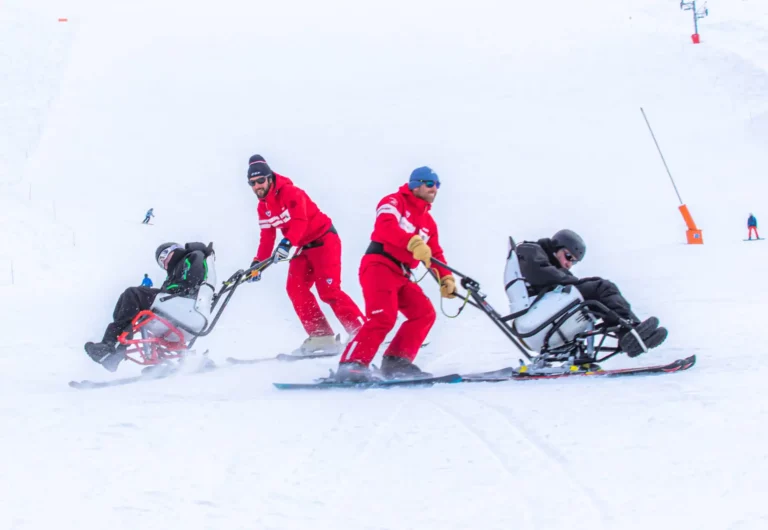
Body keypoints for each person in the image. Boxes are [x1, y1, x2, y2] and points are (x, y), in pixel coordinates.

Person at [336, 166, 456, 382]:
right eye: (430, 184)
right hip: (379, 266)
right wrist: (411, 241)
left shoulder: (428, 223)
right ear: (415, 185)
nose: (434, 189)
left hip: (402, 274)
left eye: (437, 185)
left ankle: (396, 362)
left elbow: (435, 253)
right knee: (383, 316)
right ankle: (351, 364)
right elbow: (385, 227)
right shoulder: (393, 202)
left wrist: (445, 278)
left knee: (424, 313)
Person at [246, 154, 365, 356]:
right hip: (303, 247)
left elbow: (300, 221)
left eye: (260, 181)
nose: (257, 186)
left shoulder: (291, 192)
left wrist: (286, 243)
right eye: (252, 183)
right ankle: (321, 336)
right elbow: (267, 237)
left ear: (269, 177)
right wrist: (257, 264)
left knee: (328, 291)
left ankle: (363, 333)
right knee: (295, 288)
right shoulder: (263, 207)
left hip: (324, 240)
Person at [515, 229, 667, 357]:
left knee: (599, 290)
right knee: (602, 288)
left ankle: (629, 332)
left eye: (574, 262)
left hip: (548, 308)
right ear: (556, 246)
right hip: (540, 316)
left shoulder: (541, 257)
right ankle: (630, 332)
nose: (569, 264)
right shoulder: (530, 250)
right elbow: (541, 273)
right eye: (568, 257)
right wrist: (574, 282)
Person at [84, 242, 214, 372]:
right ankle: (115, 352)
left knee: (132, 294)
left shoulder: (193, 256)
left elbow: (191, 281)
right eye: (160, 262)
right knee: (129, 306)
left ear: (174, 250)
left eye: (163, 257)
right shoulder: (176, 269)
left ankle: (110, 346)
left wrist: (168, 290)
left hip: (186, 308)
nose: (164, 263)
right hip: (182, 313)